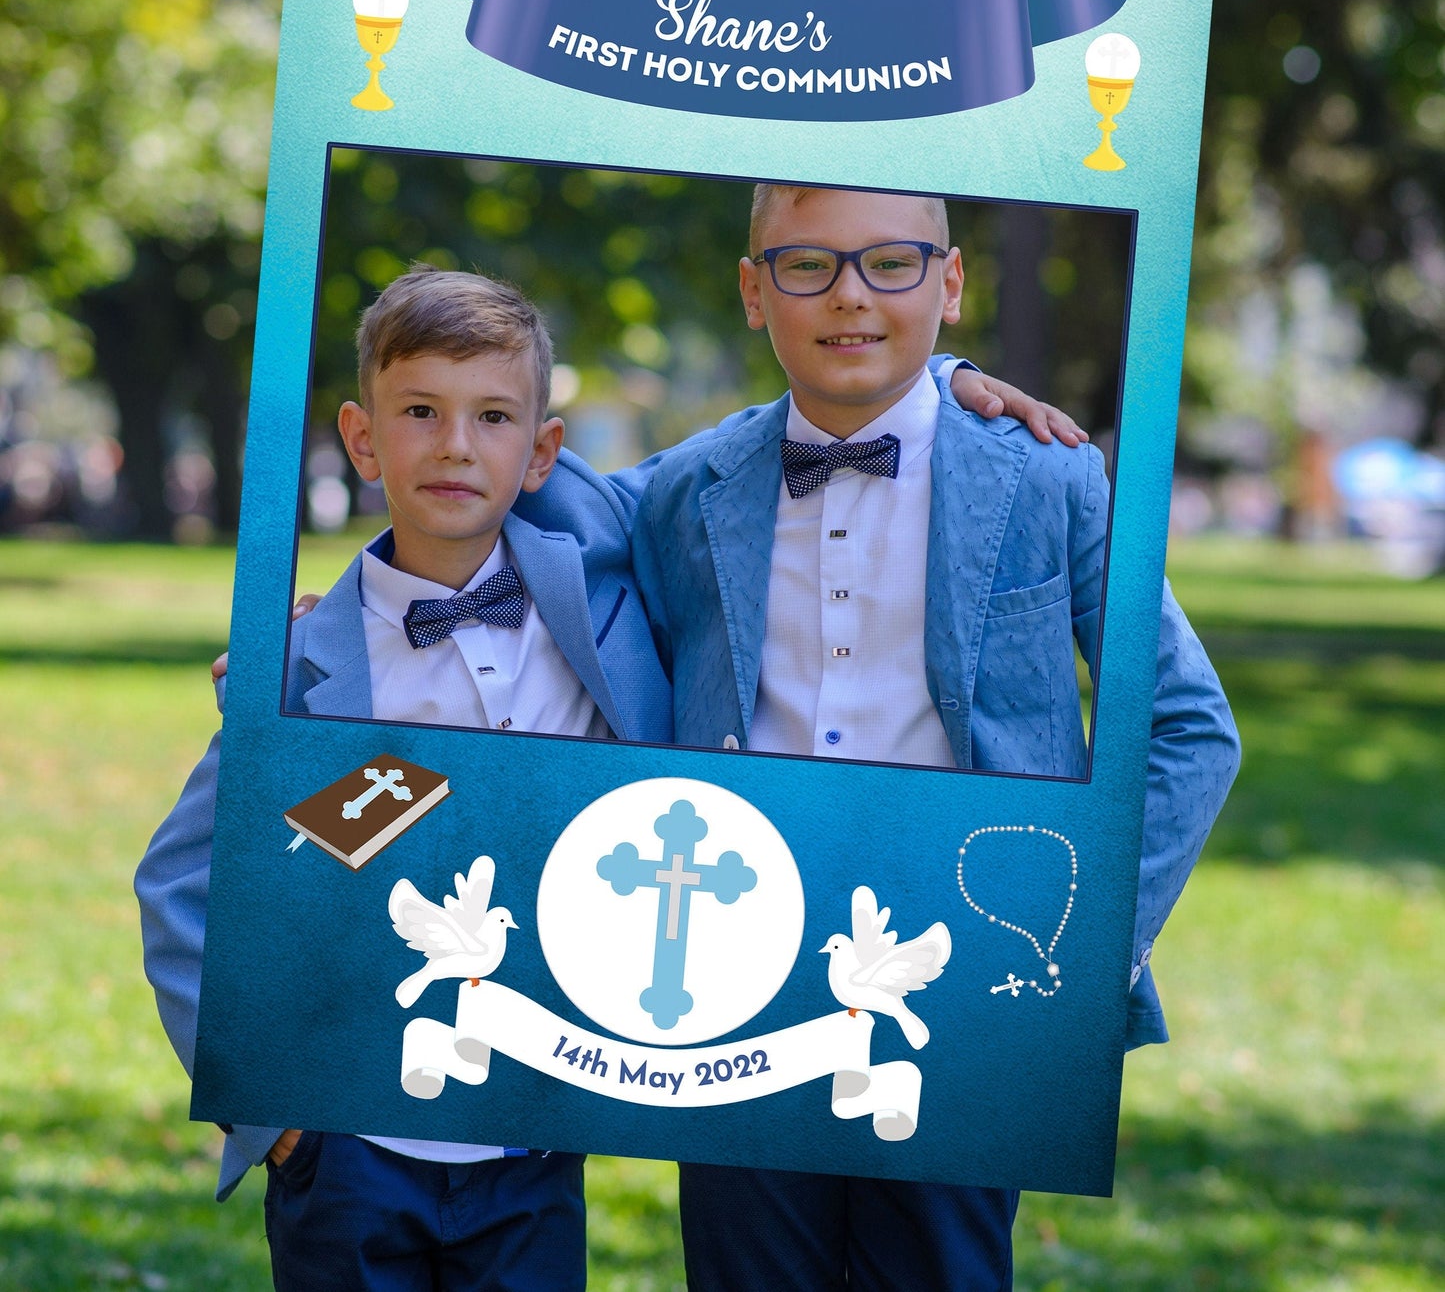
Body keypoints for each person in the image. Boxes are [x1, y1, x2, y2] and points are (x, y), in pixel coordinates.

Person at [627, 185, 1242, 1290]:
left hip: (957, 977)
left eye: (891, 263)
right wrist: (317, 622)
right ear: (751, 290)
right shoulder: (683, 487)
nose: (850, 295)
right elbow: (510, 491)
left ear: (948, 283)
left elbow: (1187, 728)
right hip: (732, 970)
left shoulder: (1048, 472)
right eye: (806, 264)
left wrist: (1072, 944)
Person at [135, 264, 673, 1291]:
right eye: (419, 410)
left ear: (541, 452)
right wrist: (274, 1113)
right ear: (363, 437)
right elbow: (180, 884)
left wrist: (950, 377)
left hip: (534, 1137)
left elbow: (758, 460)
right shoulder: (299, 668)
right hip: (350, 1151)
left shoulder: (603, 604)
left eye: (492, 416)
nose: (456, 444)